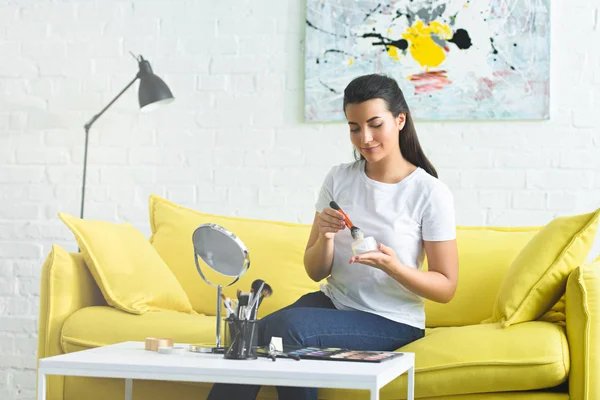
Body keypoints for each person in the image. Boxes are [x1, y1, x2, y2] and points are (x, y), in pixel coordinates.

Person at [207, 73, 459, 400]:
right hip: (335, 303)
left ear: (400, 120)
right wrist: (325, 236)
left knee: (288, 329)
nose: (364, 137)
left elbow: (446, 287)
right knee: (253, 332)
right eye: (354, 127)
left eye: (374, 124)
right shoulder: (339, 179)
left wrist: (393, 267)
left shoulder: (429, 192)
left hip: (391, 319)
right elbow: (315, 272)